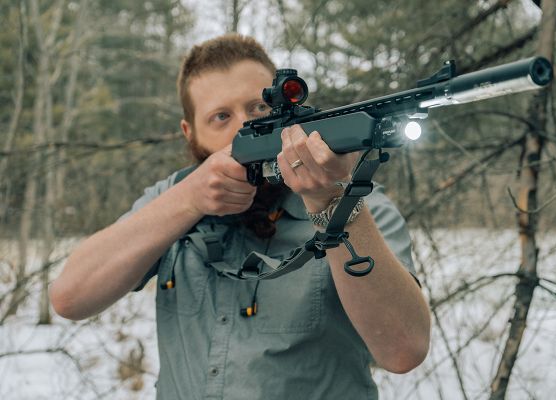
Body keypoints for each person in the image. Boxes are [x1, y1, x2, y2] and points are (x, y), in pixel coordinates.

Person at [50, 33, 431, 399]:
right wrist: (187, 201)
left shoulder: (361, 203)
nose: (243, 126)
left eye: (258, 108)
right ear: (190, 133)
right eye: (220, 116)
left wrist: (331, 202)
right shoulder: (174, 197)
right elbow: (70, 298)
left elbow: (404, 351)